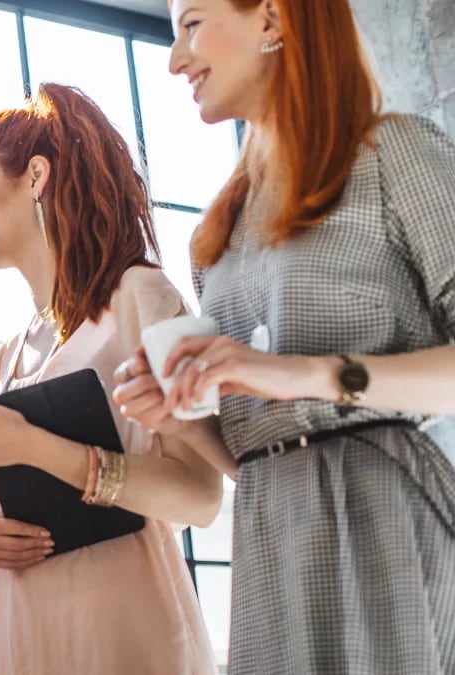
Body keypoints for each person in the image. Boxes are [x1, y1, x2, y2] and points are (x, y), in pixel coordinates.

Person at [113, 1, 455, 672]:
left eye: (191, 25)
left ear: (272, 19)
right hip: (271, 528)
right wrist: (180, 419)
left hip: (387, 522)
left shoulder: (395, 153)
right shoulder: (214, 237)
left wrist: (304, 373)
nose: (175, 59)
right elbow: (253, 453)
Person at [0, 82, 222, 673]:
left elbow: (200, 496)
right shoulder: (4, 360)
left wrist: (37, 448)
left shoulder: (141, 297)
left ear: (36, 175)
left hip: (124, 618)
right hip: (28, 626)